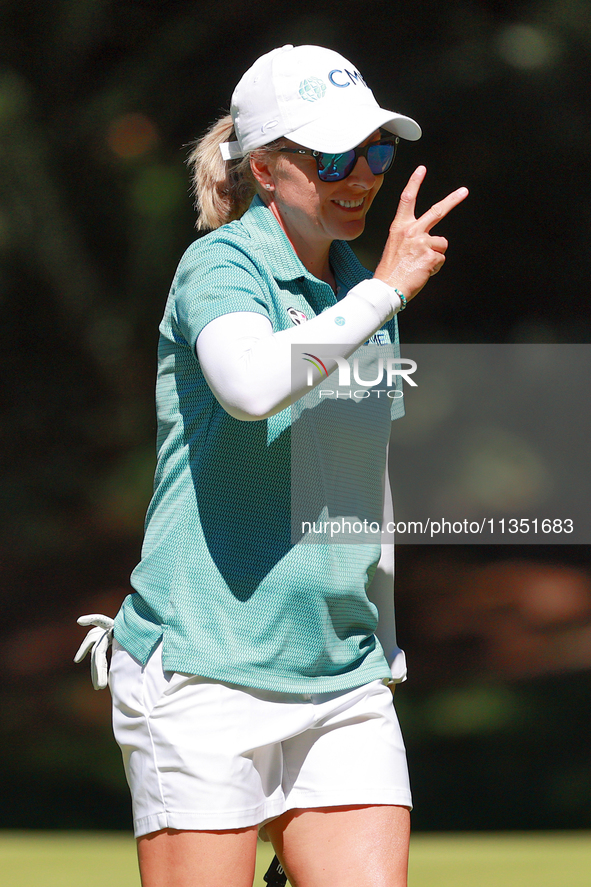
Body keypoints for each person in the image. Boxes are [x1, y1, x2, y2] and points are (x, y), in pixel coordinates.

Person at [75, 44, 467, 887]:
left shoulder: (362, 286)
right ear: (264, 166)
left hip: (340, 678)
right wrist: (386, 292)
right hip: (202, 669)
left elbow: (367, 480)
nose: (360, 174)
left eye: (375, 150)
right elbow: (251, 384)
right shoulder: (220, 265)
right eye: (332, 156)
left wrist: (384, 639)